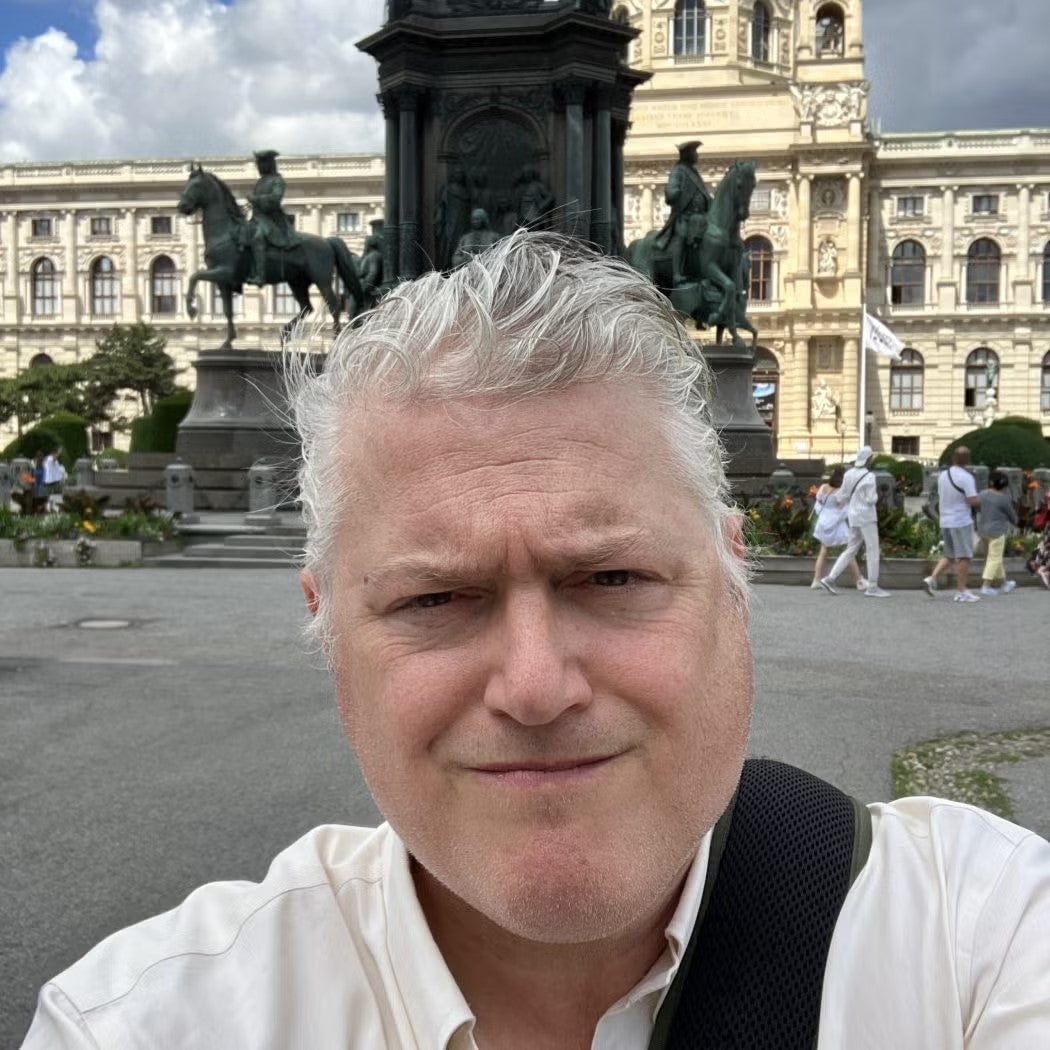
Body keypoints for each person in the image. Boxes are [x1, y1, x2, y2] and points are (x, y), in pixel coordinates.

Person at [23, 233, 1050, 1048]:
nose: (535, 686)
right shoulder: (145, 1024)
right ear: (327, 630)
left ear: (735, 586)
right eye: (433, 600)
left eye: (611, 578)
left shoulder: (984, 945)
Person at [818, 445, 890, 597]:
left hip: (853, 515)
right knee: (872, 550)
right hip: (867, 517)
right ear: (869, 459)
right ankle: (872, 587)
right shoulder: (870, 476)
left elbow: (840, 497)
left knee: (851, 549)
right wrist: (876, 496)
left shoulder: (849, 473)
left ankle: (830, 578)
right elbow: (871, 499)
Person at [924, 446, 982, 603]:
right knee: (964, 557)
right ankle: (961, 591)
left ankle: (932, 578)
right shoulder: (966, 477)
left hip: (945, 520)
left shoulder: (943, 475)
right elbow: (972, 500)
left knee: (949, 555)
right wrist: (982, 499)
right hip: (961, 520)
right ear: (967, 460)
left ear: (953, 458)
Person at [655, 140, 712, 286]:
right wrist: (675, 192)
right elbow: (671, 191)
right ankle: (677, 274)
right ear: (687, 154)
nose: (697, 155)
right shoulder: (678, 170)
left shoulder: (693, 172)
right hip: (684, 217)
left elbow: (703, 193)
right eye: (694, 152)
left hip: (700, 217)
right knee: (681, 236)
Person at [245, 149, 301, 286]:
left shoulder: (278, 180)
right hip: (257, 219)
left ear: (269, 164)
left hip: (272, 221)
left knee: (258, 237)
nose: (259, 167)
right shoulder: (260, 182)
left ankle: (260, 276)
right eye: (258, 164)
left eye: (262, 164)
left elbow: (275, 199)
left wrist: (255, 199)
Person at [810, 466, 865, 591]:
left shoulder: (823, 487)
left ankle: (816, 580)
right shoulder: (842, 491)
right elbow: (843, 510)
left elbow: (818, 504)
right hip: (837, 526)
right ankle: (858, 581)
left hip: (823, 523)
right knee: (848, 552)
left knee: (823, 551)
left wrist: (825, 516)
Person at [977, 470, 1018, 596]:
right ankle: (986, 586)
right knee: (994, 559)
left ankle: (1005, 583)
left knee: (995, 558)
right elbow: (1013, 518)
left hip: (983, 530)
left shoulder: (982, 494)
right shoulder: (1004, 499)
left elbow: (978, 507)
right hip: (997, 532)